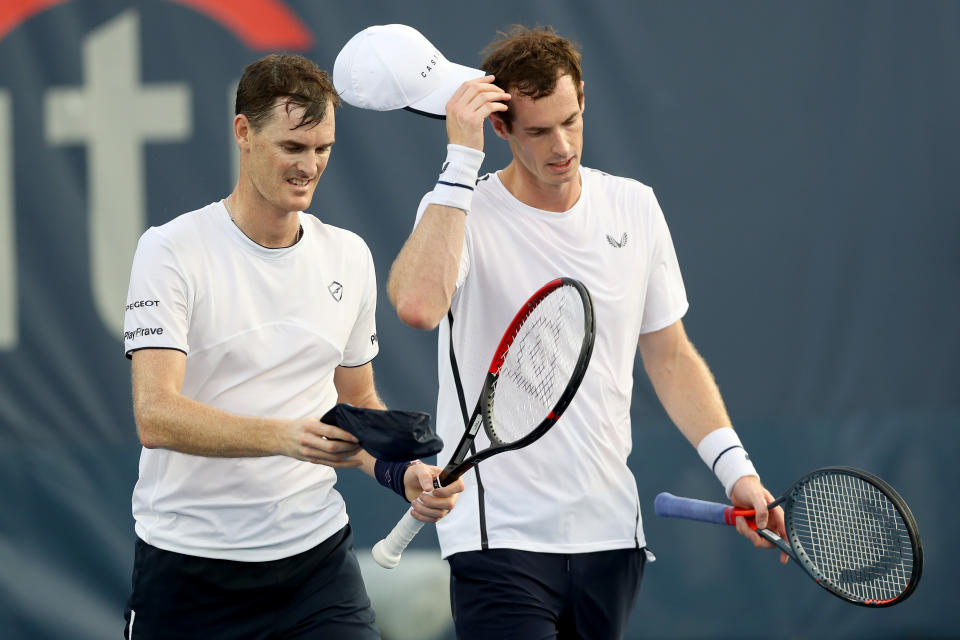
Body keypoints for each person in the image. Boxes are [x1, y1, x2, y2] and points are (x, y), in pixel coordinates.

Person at [385, 26, 788, 639]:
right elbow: (415, 305)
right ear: (501, 128)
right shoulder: (459, 209)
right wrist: (460, 162)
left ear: (584, 100)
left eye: (571, 121)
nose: (562, 145)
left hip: (610, 538)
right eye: (539, 131)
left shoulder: (634, 206)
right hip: (498, 538)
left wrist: (739, 474)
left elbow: (671, 357)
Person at [120, 53, 463, 640]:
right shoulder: (170, 251)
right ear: (244, 133)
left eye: (322, 149)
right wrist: (284, 436)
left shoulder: (349, 256)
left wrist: (397, 469)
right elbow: (156, 415)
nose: (310, 166)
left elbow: (354, 405)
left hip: (315, 568)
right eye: (293, 148)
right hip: (189, 572)